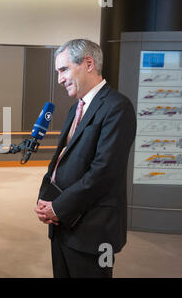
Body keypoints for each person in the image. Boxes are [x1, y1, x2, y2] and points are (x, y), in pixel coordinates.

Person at [34, 39, 136, 278]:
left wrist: (58, 207)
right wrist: (45, 199)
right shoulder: (75, 108)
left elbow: (103, 173)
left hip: (93, 231)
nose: (59, 79)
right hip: (62, 224)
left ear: (88, 63)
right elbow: (61, 160)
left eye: (64, 69)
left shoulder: (118, 107)